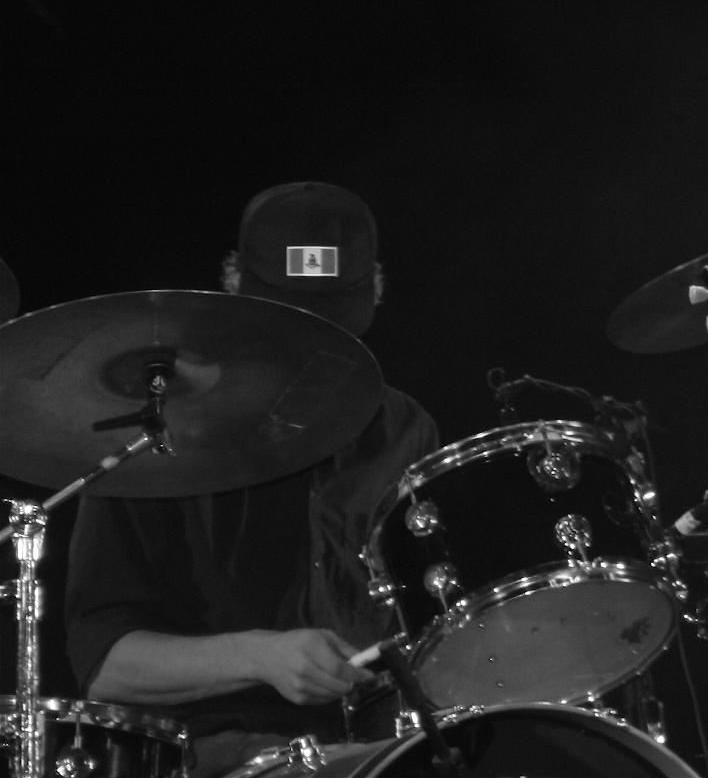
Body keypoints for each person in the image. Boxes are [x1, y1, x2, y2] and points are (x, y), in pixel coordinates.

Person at [66, 183, 440, 778]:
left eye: (332, 324)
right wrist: (260, 656)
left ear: (376, 287)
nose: (312, 348)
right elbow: (105, 662)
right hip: (214, 750)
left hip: (376, 742)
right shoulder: (160, 432)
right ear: (232, 280)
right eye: (289, 323)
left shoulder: (405, 429)